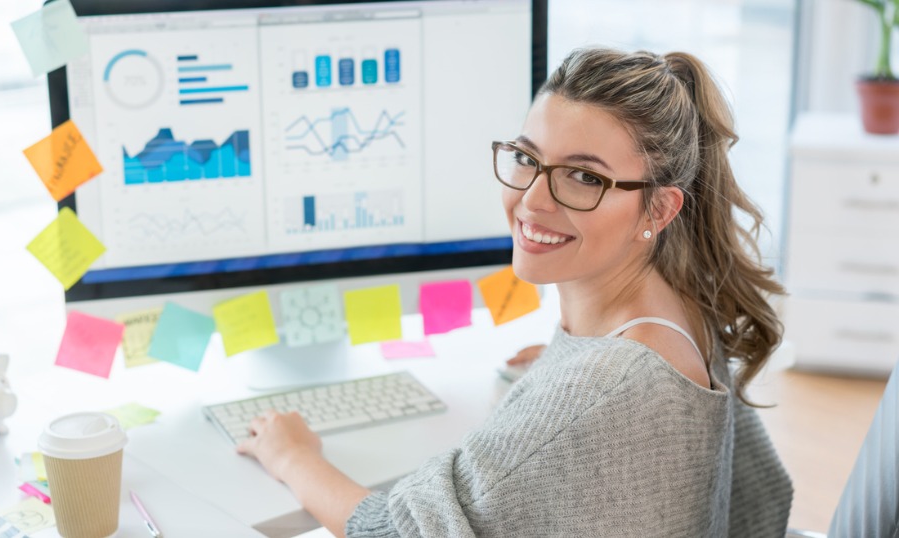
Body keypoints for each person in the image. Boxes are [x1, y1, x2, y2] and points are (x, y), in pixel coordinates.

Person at [236, 47, 793, 537]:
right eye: (527, 159)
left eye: (584, 177)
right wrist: (560, 376)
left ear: (660, 208)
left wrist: (292, 456)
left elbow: (391, 532)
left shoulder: (606, 385)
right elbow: (764, 496)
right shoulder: (680, 304)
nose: (531, 201)